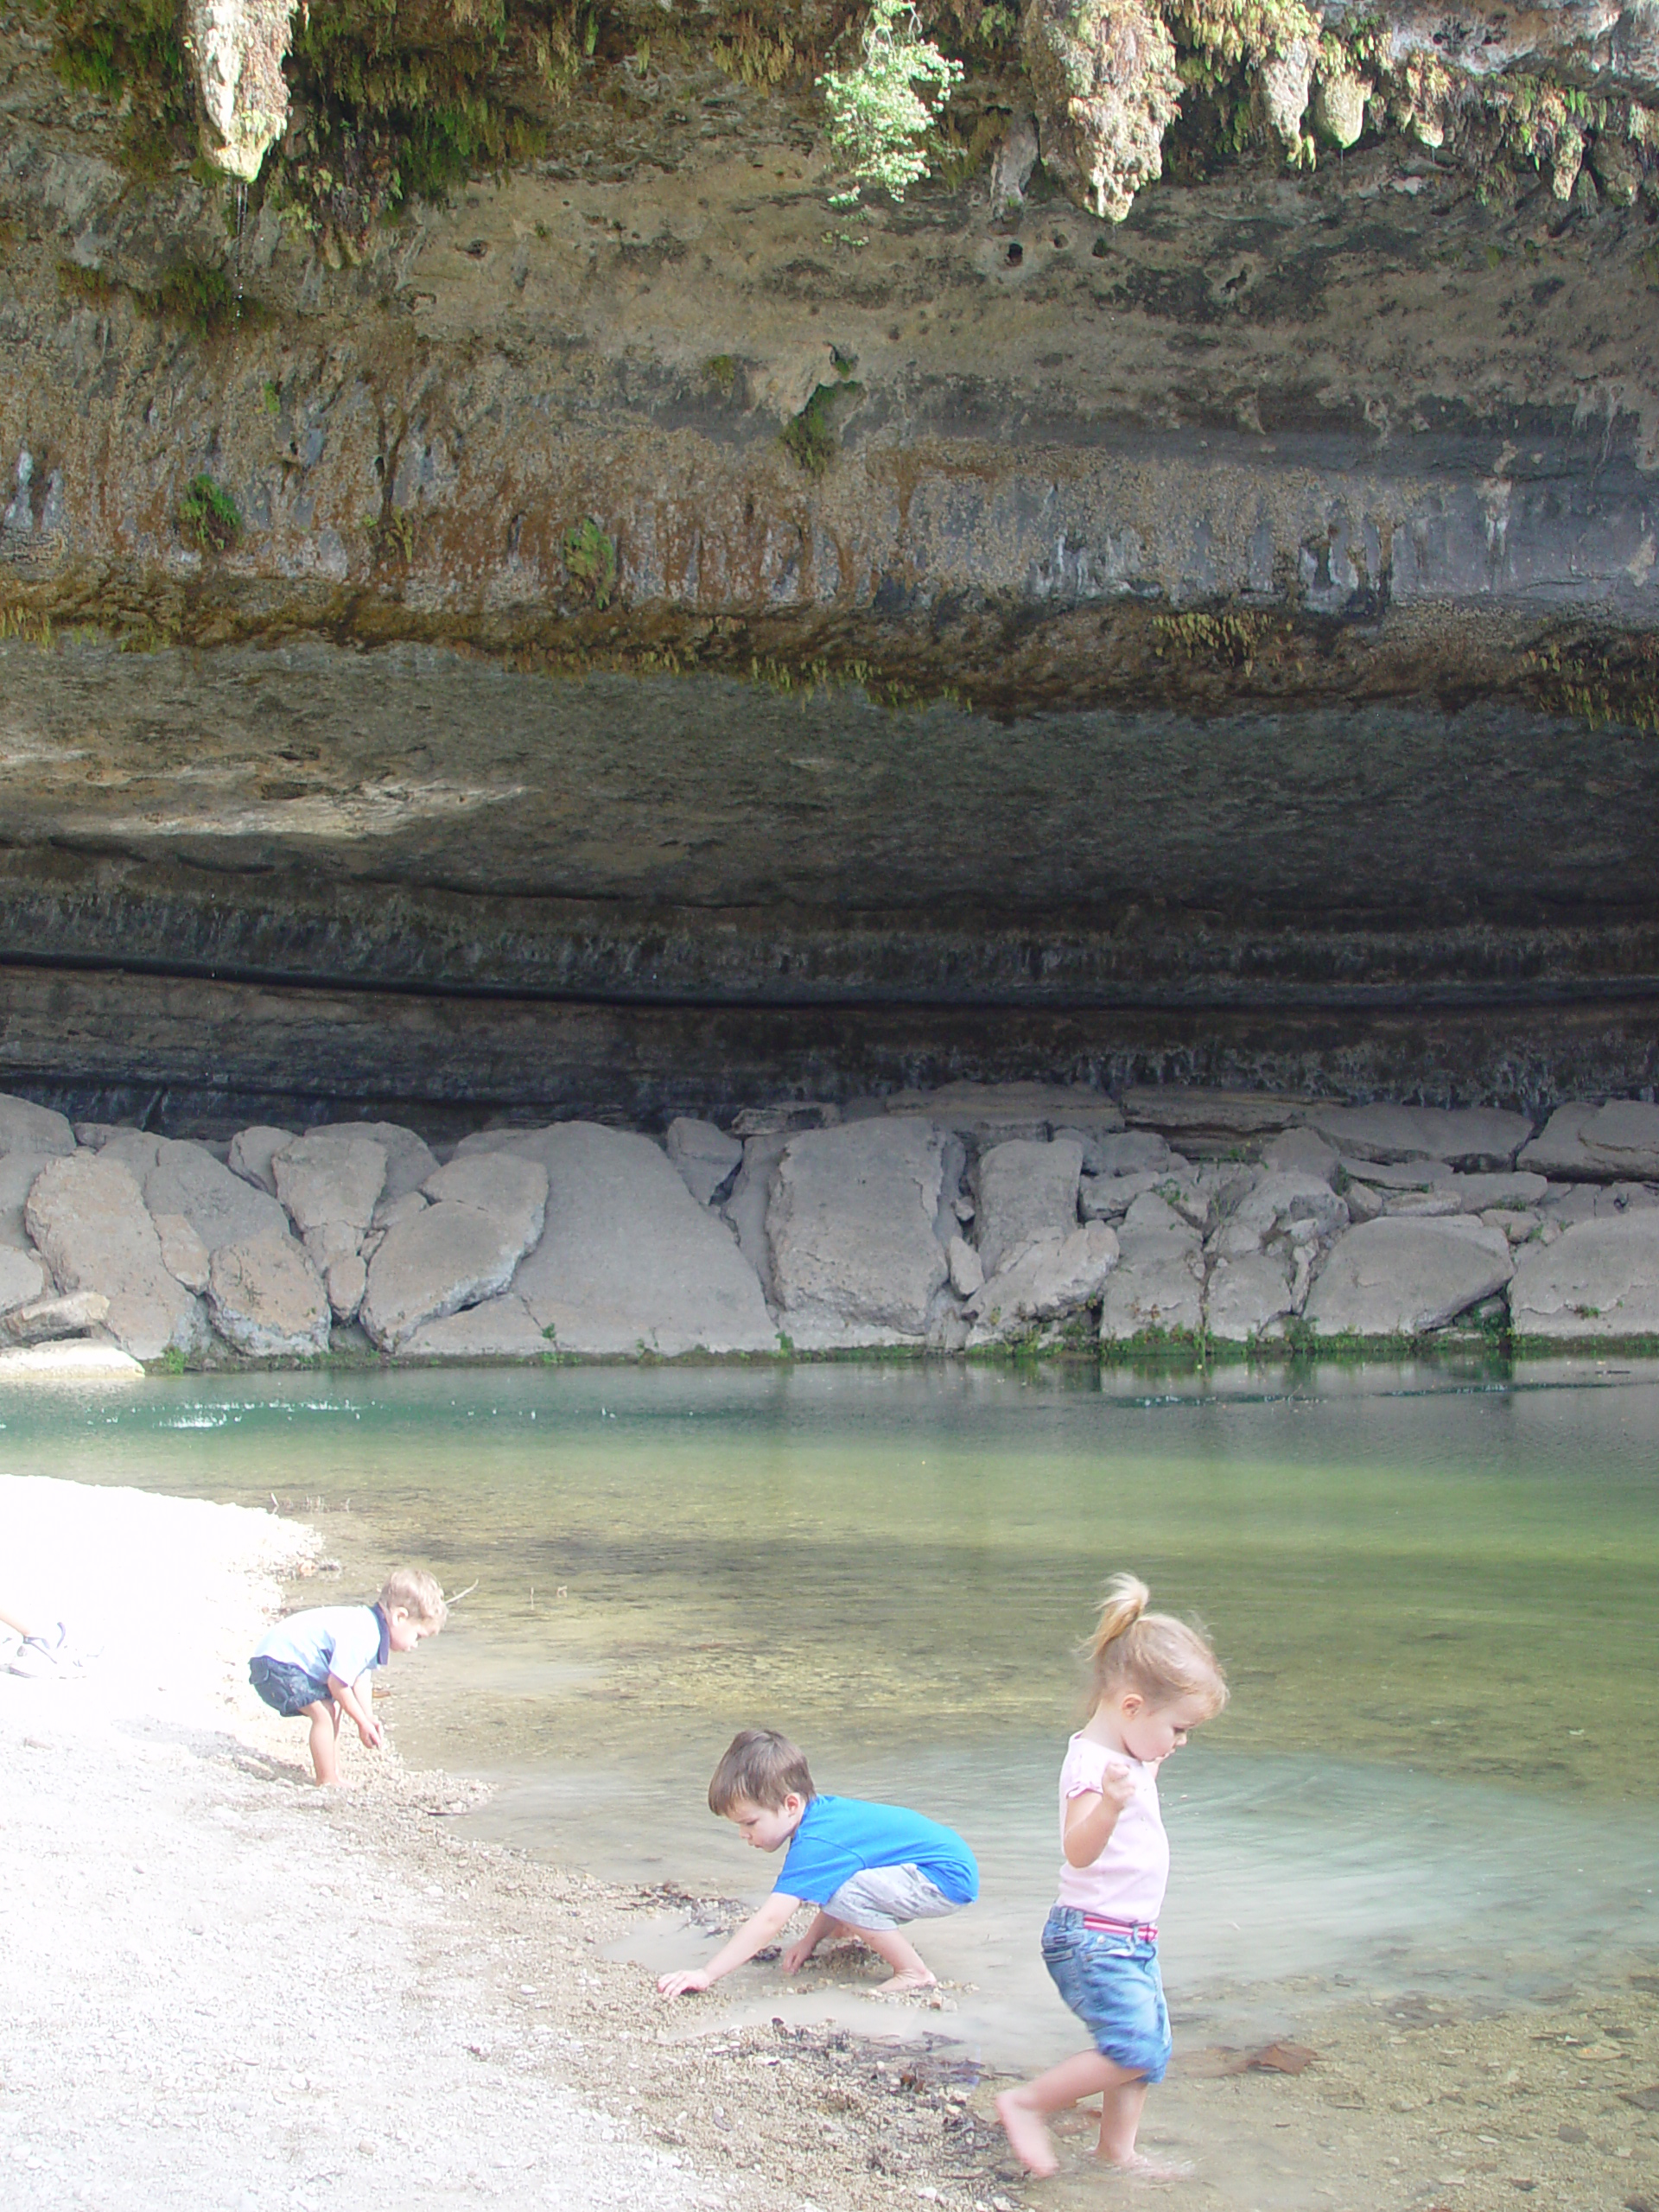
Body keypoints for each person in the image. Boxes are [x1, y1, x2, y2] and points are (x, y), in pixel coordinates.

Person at [995, 1573, 1228, 2181]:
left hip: (1129, 1937)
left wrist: (1138, 1781)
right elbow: (1078, 1849)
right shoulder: (1093, 1765)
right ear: (1131, 1707)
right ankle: (1026, 2104)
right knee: (1132, 2048)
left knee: (1148, 2054)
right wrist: (1112, 1804)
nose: (1180, 1744)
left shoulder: (1130, 1755)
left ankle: (1115, 2154)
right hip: (1092, 1938)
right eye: (1178, 1729)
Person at [657, 1727, 978, 1999]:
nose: (743, 1834)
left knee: (846, 1894)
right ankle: (852, 1927)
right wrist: (810, 1940)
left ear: (791, 1804)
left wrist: (706, 1974)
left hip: (944, 1879)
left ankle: (913, 1971)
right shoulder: (820, 1817)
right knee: (844, 1890)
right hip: (942, 1868)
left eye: (750, 1823)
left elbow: (771, 1920)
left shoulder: (815, 1842)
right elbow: (836, 1879)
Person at [248, 1567, 447, 1785]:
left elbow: (359, 1678)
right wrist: (361, 1723)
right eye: (417, 1636)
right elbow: (338, 1684)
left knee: (331, 1710)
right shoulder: (365, 1634)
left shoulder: (369, 1625)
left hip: (277, 1660)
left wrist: (368, 1717)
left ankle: (332, 1774)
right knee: (325, 1713)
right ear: (400, 1616)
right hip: (276, 1664)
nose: (415, 1645)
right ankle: (327, 1779)